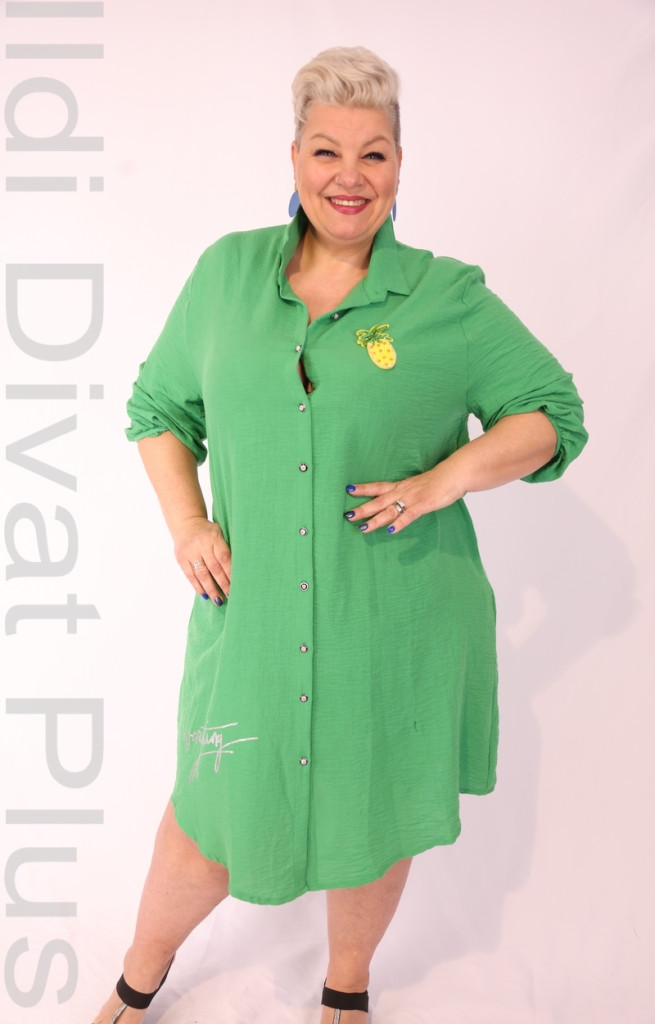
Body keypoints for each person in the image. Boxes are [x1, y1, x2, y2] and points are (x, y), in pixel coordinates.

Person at [92, 46, 587, 1024]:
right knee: (208, 818)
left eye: (373, 153)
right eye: (326, 151)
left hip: (394, 621)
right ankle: (135, 980)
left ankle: (345, 988)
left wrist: (444, 479)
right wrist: (186, 523)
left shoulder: (446, 298)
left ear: (400, 164)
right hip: (252, 618)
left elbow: (551, 416)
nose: (348, 176)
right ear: (294, 158)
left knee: (374, 813)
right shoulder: (226, 275)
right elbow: (157, 409)